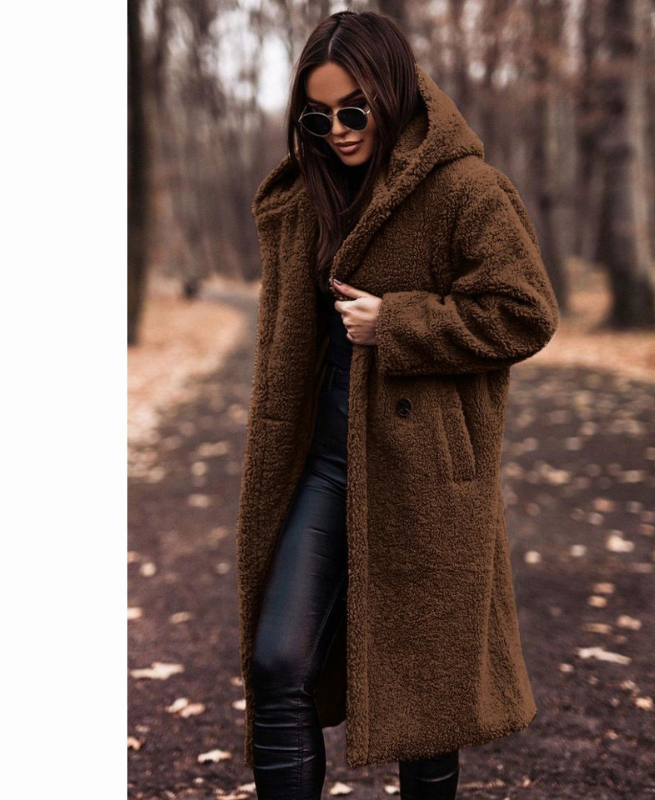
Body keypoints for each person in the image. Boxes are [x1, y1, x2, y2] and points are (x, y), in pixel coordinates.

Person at [237, 10, 560, 800]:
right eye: (318, 118)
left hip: (424, 475)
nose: (338, 131)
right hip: (321, 467)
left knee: (429, 705)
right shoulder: (303, 197)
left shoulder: (466, 190)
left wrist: (402, 321)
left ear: (393, 94)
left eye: (355, 111)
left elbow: (526, 311)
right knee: (277, 662)